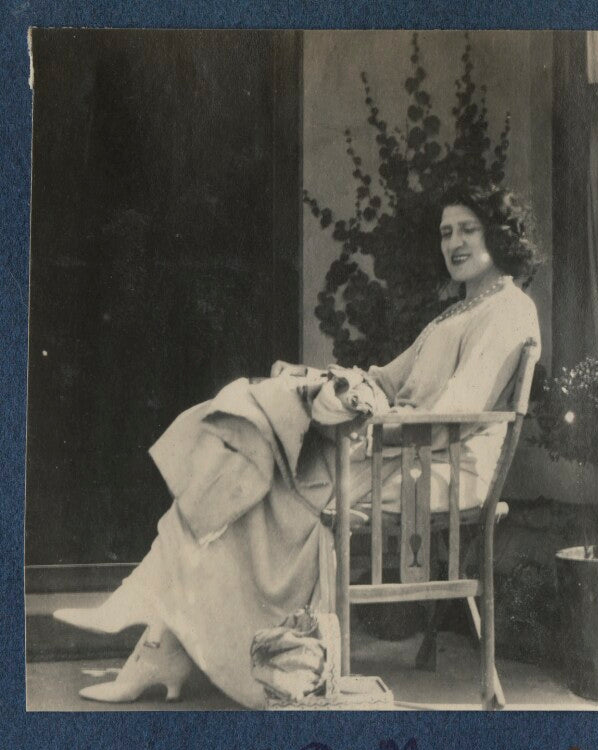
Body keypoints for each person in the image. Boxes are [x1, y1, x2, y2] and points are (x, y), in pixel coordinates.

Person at [54, 180, 541, 706]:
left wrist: (373, 418)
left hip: (438, 467)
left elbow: (454, 412)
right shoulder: (458, 310)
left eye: (468, 230)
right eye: (446, 233)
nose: (454, 243)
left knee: (267, 483)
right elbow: (387, 378)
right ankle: (158, 639)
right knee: (255, 464)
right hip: (400, 452)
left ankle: (160, 642)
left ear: (498, 234)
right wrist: (336, 386)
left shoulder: (508, 309)